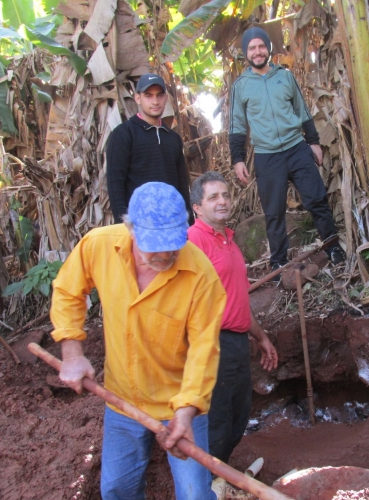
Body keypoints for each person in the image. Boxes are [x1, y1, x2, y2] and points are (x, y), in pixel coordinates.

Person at [50, 182, 224, 499]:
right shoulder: (98, 246)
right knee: (117, 490)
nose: (166, 255)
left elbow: (204, 349)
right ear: (130, 229)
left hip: (178, 402)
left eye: (172, 245)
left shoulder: (201, 275)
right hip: (122, 400)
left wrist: (186, 410)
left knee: (195, 495)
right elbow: (67, 290)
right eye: (154, 247)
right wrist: (72, 351)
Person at [229, 27, 345, 275]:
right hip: (267, 155)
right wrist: (238, 158)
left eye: (261, 46)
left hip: (296, 147)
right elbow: (237, 125)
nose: (257, 52)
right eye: (252, 48)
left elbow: (302, 111)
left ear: (268, 48)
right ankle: (279, 262)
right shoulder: (241, 86)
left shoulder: (285, 77)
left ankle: (333, 248)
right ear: (245, 53)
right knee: (273, 212)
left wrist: (313, 141)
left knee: (316, 199)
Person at [187, 171, 279, 465]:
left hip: (237, 342)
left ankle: (219, 475)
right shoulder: (193, 242)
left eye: (226, 194)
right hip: (212, 343)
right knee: (217, 421)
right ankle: (209, 484)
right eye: (213, 197)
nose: (223, 201)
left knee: (238, 417)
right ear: (197, 208)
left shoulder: (230, 242)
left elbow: (237, 299)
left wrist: (261, 337)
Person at [106, 73, 193, 224]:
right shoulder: (123, 134)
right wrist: (123, 226)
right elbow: (115, 184)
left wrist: (188, 224)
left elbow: (182, 186)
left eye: (159, 96)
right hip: (139, 224)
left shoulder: (173, 138)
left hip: (170, 223)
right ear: (138, 98)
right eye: (148, 96)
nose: (155, 101)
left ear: (166, 98)